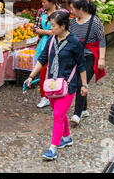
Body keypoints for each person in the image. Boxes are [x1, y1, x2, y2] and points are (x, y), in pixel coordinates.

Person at [24, 11, 87, 160]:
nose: (51, 28)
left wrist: (84, 85)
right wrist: (31, 76)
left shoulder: (75, 42)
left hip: (68, 85)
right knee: (60, 113)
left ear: (63, 26)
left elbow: (81, 65)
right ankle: (67, 138)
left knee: (57, 115)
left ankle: (53, 149)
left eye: (53, 25)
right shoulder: (52, 40)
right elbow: (42, 59)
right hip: (51, 84)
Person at [68, 0, 106, 127]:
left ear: (81, 8)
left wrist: (101, 58)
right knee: (79, 82)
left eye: (73, 9)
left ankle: (76, 114)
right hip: (77, 57)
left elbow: (102, 39)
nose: (71, 11)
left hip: (90, 57)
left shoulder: (94, 21)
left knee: (81, 83)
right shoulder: (73, 22)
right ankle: (84, 109)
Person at [33, 0, 66, 108]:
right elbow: (35, 29)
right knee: (42, 71)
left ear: (51, 1)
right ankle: (44, 96)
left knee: (56, 72)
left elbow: (66, 30)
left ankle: (57, 94)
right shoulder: (41, 12)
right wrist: (48, 32)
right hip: (44, 45)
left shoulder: (62, 12)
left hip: (59, 46)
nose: (42, 4)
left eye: (44, 2)